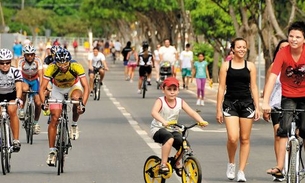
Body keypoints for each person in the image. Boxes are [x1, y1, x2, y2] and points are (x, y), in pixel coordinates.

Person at [262, 21, 305, 179]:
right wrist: (265, 102)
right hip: (288, 96)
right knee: (283, 130)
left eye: (298, 37)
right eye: (291, 36)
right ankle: (280, 166)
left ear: (304, 39)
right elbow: (272, 78)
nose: (294, 39)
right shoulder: (283, 53)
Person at [216, 37, 260, 182]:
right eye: (239, 47)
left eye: (244, 47)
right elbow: (221, 87)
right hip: (230, 103)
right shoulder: (226, 66)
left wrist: (257, 107)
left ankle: (241, 171)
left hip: (247, 104)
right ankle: (231, 163)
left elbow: (253, 87)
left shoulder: (251, 66)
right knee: (233, 138)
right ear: (233, 49)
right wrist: (218, 109)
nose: (242, 49)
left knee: (245, 139)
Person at [39, 48, 89, 166]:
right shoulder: (52, 68)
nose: (62, 66)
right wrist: (43, 103)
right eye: (59, 63)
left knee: (76, 100)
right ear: (56, 62)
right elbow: (42, 88)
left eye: (65, 63)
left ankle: (74, 124)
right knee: (55, 118)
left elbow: (86, 87)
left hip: (73, 87)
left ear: (69, 61)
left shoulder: (76, 66)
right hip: (58, 89)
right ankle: (52, 152)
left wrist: (83, 105)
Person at [150, 77, 208, 173]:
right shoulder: (160, 101)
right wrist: (163, 121)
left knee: (185, 145)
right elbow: (154, 112)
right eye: (169, 89)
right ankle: (163, 164)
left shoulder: (180, 101)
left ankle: (176, 162)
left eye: (174, 89)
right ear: (163, 89)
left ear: (178, 90)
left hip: (172, 129)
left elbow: (192, 112)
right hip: (158, 129)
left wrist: (201, 121)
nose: (172, 92)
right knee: (169, 138)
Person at [262, 40, 289, 182]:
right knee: (278, 135)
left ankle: (294, 162)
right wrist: (265, 105)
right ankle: (280, 168)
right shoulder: (274, 66)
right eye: (281, 48)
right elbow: (269, 85)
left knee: (297, 134)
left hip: (293, 102)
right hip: (276, 105)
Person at [0, 48, 23, 152]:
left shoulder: (15, 72)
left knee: (12, 110)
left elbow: (19, 87)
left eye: (7, 62)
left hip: (11, 95)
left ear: (10, 62)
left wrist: (18, 98)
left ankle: (16, 140)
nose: (5, 65)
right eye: (2, 63)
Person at [18, 45, 43, 135]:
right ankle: (21, 109)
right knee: (24, 89)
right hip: (24, 79)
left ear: (34, 55)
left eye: (31, 55)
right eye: (27, 55)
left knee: (38, 103)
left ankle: (35, 123)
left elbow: (41, 75)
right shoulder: (20, 61)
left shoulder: (38, 60)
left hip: (34, 80)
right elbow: (19, 76)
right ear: (24, 55)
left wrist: (41, 89)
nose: (29, 57)